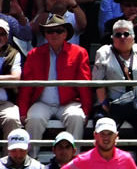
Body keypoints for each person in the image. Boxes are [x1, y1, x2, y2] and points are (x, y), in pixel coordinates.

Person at [19, 15, 92, 154]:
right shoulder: (34, 54)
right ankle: (31, 162)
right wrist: (23, 111)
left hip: (69, 103)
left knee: (77, 117)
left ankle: (74, 162)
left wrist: (87, 110)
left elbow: (84, 84)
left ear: (65, 34)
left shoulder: (79, 53)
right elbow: (26, 85)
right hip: (42, 103)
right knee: (33, 119)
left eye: (58, 31)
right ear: (45, 35)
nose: (54, 34)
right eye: (49, 31)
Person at [91, 19, 137, 166]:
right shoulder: (103, 52)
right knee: (102, 124)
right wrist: (104, 103)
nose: (122, 37)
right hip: (111, 104)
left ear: (133, 37)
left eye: (126, 34)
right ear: (112, 37)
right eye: (118, 35)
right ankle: (104, 164)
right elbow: (98, 82)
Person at [0, 18, 24, 137]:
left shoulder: (13, 54)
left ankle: (10, 155)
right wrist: (5, 80)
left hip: (5, 103)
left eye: (2, 34)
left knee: (12, 119)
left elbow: (15, 79)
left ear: (7, 36)